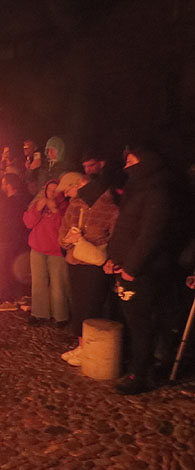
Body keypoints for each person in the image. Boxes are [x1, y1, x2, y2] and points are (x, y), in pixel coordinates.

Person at [105, 146, 173, 394]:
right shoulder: (137, 189)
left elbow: (150, 234)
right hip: (125, 267)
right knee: (131, 319)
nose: (126, 167)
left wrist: (131, 268)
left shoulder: (157, 191)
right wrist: (113, 258)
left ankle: (141, 375)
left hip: (141, 271)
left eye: (131, 161)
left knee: (140, 323)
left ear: (146, 162)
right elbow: (125, 229)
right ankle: (134, 364)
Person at [58, 172, 119, 366]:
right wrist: (68, 240)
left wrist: (89, 243)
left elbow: (114, 238)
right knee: (79, 306)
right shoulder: (75, 205)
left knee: (91, 306)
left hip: (94, 265)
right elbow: (63, 231)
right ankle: (82, 345)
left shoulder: (109, 207)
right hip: (75, 262)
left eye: (67, 189)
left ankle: (90, 348)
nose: (66, 195)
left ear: (79, 184)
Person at [22, 180, 69, 326]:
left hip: (56, 251)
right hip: (37, 248)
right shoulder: (39, 204)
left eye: (55, 190)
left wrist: (55, 210)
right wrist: (37, 209)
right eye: (49, 190)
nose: (52, 193)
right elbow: (28, 223)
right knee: (38, 282)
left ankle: (60, 315)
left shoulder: (66, 206)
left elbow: (64, 227)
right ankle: (39, 313)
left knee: (58, 284)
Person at [0, 173, 31, 311]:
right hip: (17, 240)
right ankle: (16, 296)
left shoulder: (9, 202)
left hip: (4, 239)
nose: (1, 186)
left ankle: (8, 299)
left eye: (3, 184)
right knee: (10, 268)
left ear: (9, 185)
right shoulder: (23, 200)